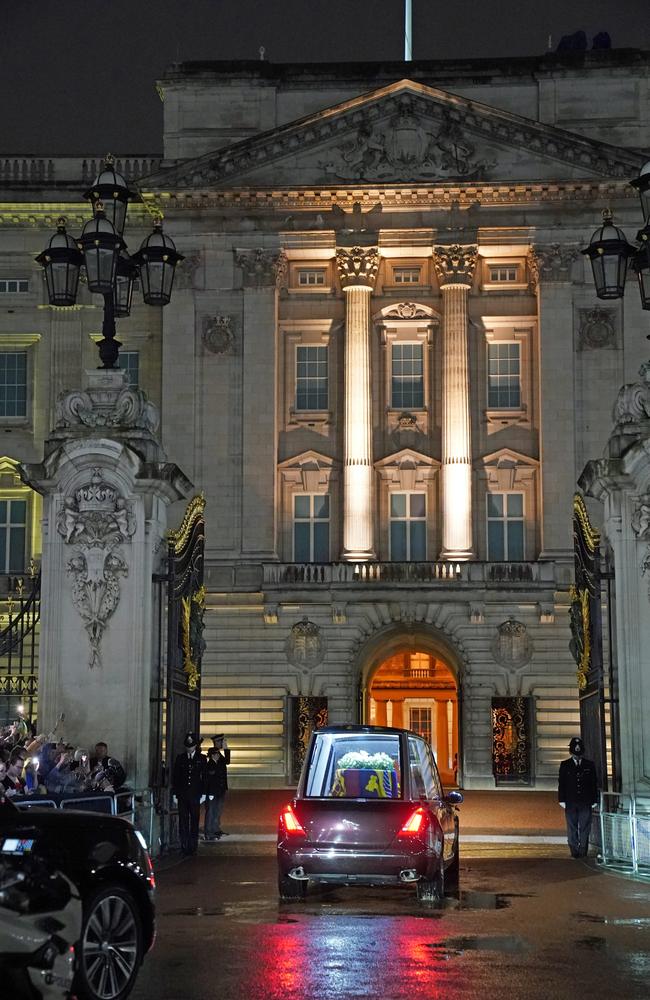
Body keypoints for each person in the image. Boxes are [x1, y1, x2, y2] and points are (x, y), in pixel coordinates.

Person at [558, 736, 599, 858]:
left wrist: (594, 799)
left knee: (585, 826)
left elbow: (593, 783)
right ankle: (574, 849)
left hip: (585, 801)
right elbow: (562, 783)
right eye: (575, 750)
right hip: (570, 801)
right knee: (572, 826)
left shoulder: (589, 765)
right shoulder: (565, 765)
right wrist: (561, 799)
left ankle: (582, 849)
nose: (576, 752)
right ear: (571, 751)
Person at [172, 731, 206, 856]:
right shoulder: (180, 758)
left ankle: (193, 845)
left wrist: (204, 793)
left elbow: (204, 777)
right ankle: (184, 845)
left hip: (195, 794)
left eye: (191, 746)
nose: (189, 748)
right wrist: (175, 793)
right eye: (187, 746)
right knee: (183, 820)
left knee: (195, 820)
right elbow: (176, 777)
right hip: (183, 794)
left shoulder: (201, 759)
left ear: (195, 746)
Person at [204, 734, 230, 842]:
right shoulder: (211, 761)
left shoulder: (219, 756)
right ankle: (210, 830)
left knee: (218, 810)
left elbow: (227, 761)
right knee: (211, 810)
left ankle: (215, 828)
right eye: (220, 742)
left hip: (220, 789)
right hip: (213, 791)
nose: (221, 744)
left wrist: (226, 749)